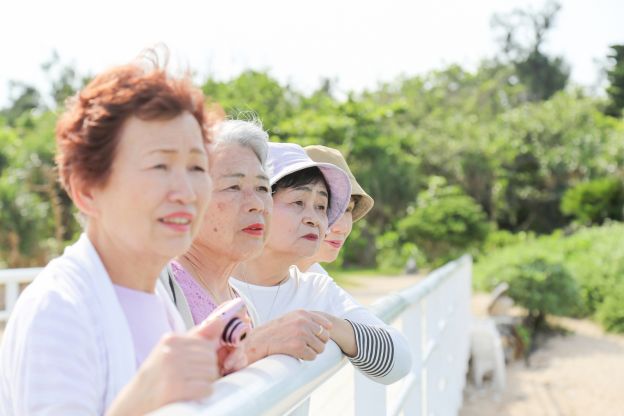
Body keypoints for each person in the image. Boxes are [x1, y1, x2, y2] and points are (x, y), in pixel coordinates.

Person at [0, 54, 235, 415]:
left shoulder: (155, 295)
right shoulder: (59, 310)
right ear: (87, 190)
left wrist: (223, 373)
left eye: (196, 166)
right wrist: (141, 400)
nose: (186, 191)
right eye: (160, 165)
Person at [161, 120, 344, 365]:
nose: (257, 203)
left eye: (262, 187)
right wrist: (256, 345)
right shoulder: (159, 286)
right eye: (234, 186)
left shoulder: (240, 304)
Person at [231, 142, 411, 383]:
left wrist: (321, 324)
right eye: (298, 202)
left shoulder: (316, 290)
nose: (314, 219)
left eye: (321, 207)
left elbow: (397, 362)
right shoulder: (207, 280)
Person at [296, 145, 374, 275]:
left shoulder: (320, 284)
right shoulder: (251, 282)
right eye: (324, 207)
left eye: (348, 209)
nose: (342, 228)